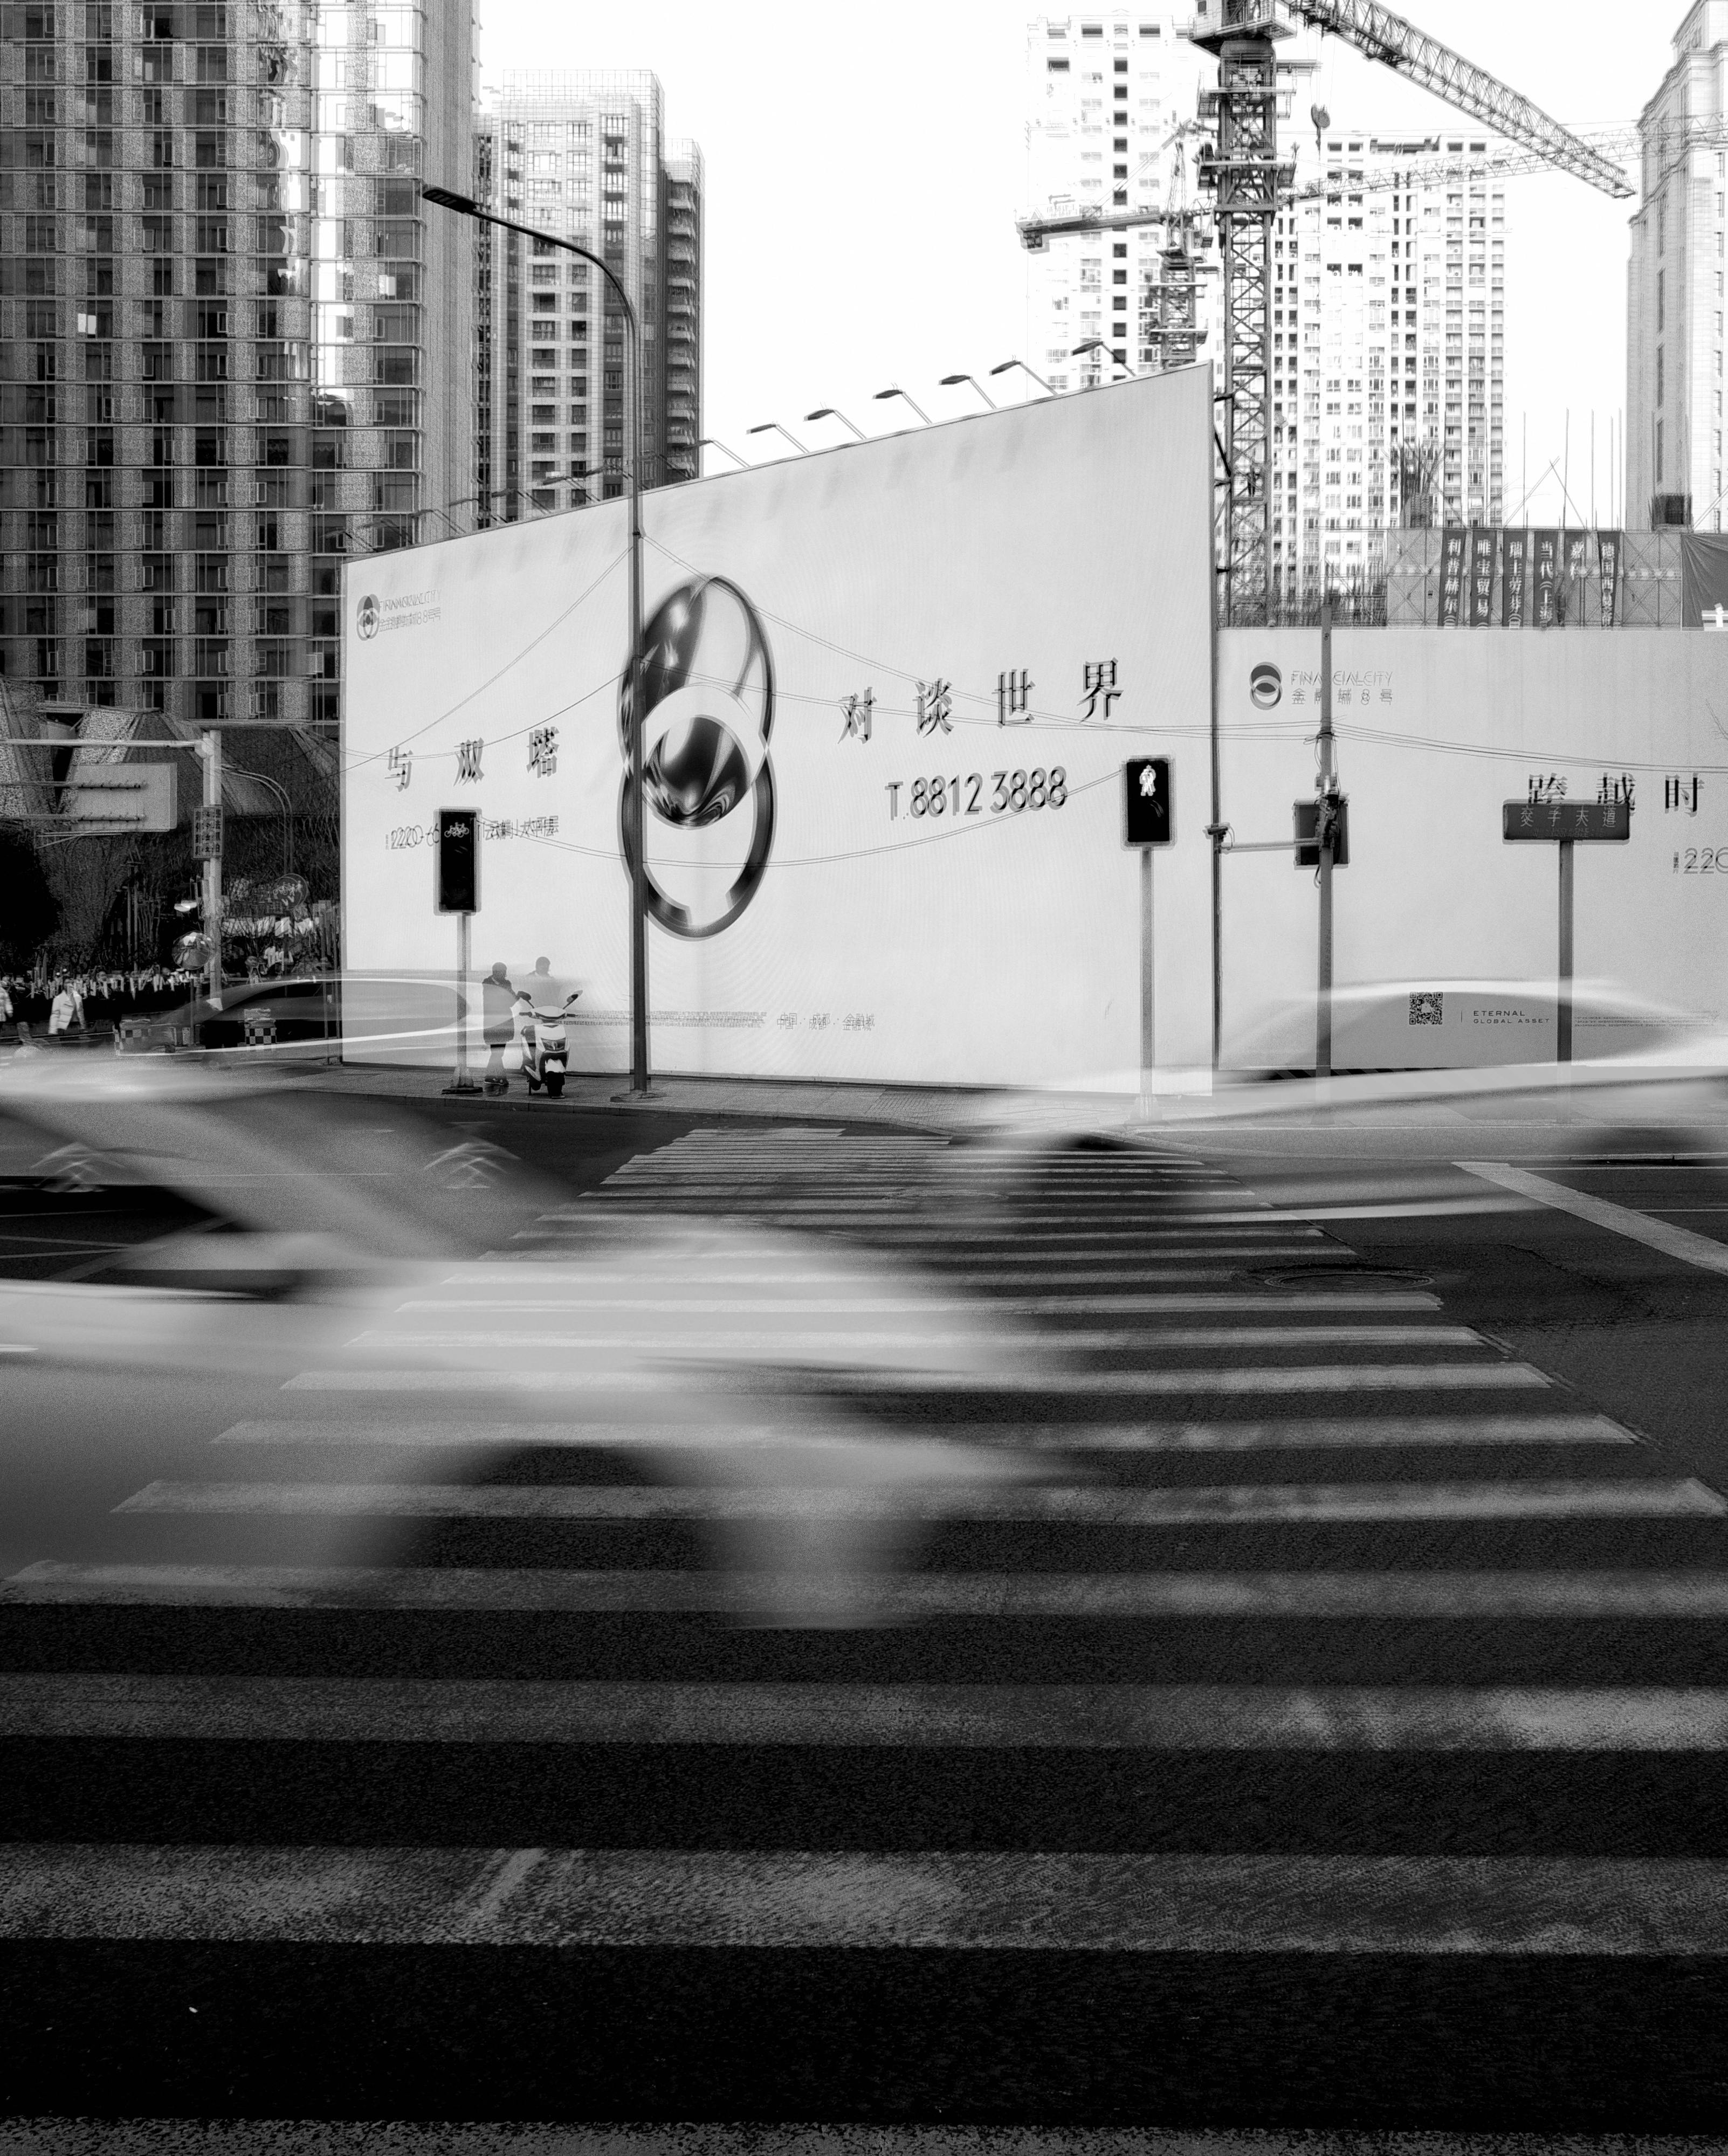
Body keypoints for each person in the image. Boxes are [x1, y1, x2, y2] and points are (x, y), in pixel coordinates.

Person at [481, 960, 515, 1095]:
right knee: (497, 1052)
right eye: (502, 972)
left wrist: (516, 996)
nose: (504, 975)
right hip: (493, 1024)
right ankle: (498, 1077)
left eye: (505, 972)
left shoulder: (507, 984)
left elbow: (511, 1002)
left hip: (505, 1023)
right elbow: (498, 1001)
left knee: (498, 1052)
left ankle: (493, 1077)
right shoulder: (488, 984)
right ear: (495, 972)